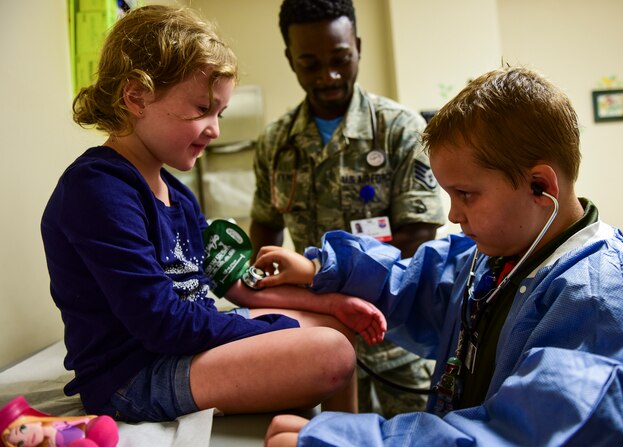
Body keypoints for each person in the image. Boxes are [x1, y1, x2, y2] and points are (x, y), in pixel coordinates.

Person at [254, 66, 623, 446]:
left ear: (541, 187)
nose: (453, 214)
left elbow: (523, 437)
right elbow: (412, 284)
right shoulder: (495, 258)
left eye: (465, 194)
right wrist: (321, 268)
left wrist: (355, 441)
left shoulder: (601, 302)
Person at [40, 5, 387, 423]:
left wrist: (332, 302)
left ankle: (337, 435)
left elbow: (236, 283)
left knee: (336, 329)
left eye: (218, 114)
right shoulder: (97, 189)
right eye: (201, 109)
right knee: (329, 350)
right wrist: (274, 329)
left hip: (178, 347)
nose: (215, 130)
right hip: (131, 377)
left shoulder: (178, 197)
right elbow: (162, 324)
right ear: (136, 97)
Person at [249, 0, 445, 417]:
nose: (328, 76)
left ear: (357, 45)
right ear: (290, 60)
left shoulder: (399, 129)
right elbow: (265, 231)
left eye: (340, 59)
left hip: (399, 340)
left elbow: (416, 239)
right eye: (310, 63)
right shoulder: (275, 143)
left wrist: (334, 282)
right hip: (316, 339)